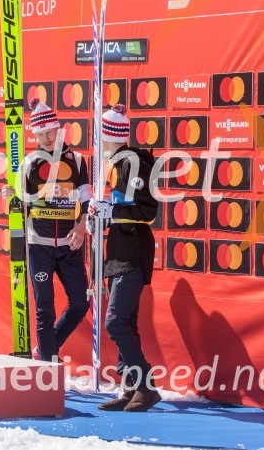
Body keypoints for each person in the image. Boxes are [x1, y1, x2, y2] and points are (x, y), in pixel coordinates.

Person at [84, 104, 161, 412]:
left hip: (133, 251)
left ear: (108, 137)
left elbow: (147, 211)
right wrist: (97, 218)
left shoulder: (133, 163)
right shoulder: (116, 165)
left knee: (115, 321)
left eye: (99, 138)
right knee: (126, 321)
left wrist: (111, 211)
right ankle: (130, 388)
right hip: (117, 249)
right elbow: (118, 210)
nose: (97, 144)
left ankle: (145, 385)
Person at [3, 99, 92, 362]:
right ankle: (48, 367)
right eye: (40, 134)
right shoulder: (29, 162)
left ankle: (45, 349)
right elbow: (24, 205)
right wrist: (12, 197)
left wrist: (81, 225)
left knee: (80, 303)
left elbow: (86, 196)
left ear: (58, 129)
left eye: (49, 132)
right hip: (39, 244)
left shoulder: (77, 160)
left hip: (69, 244)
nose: (45, 138)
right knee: (45, 309)